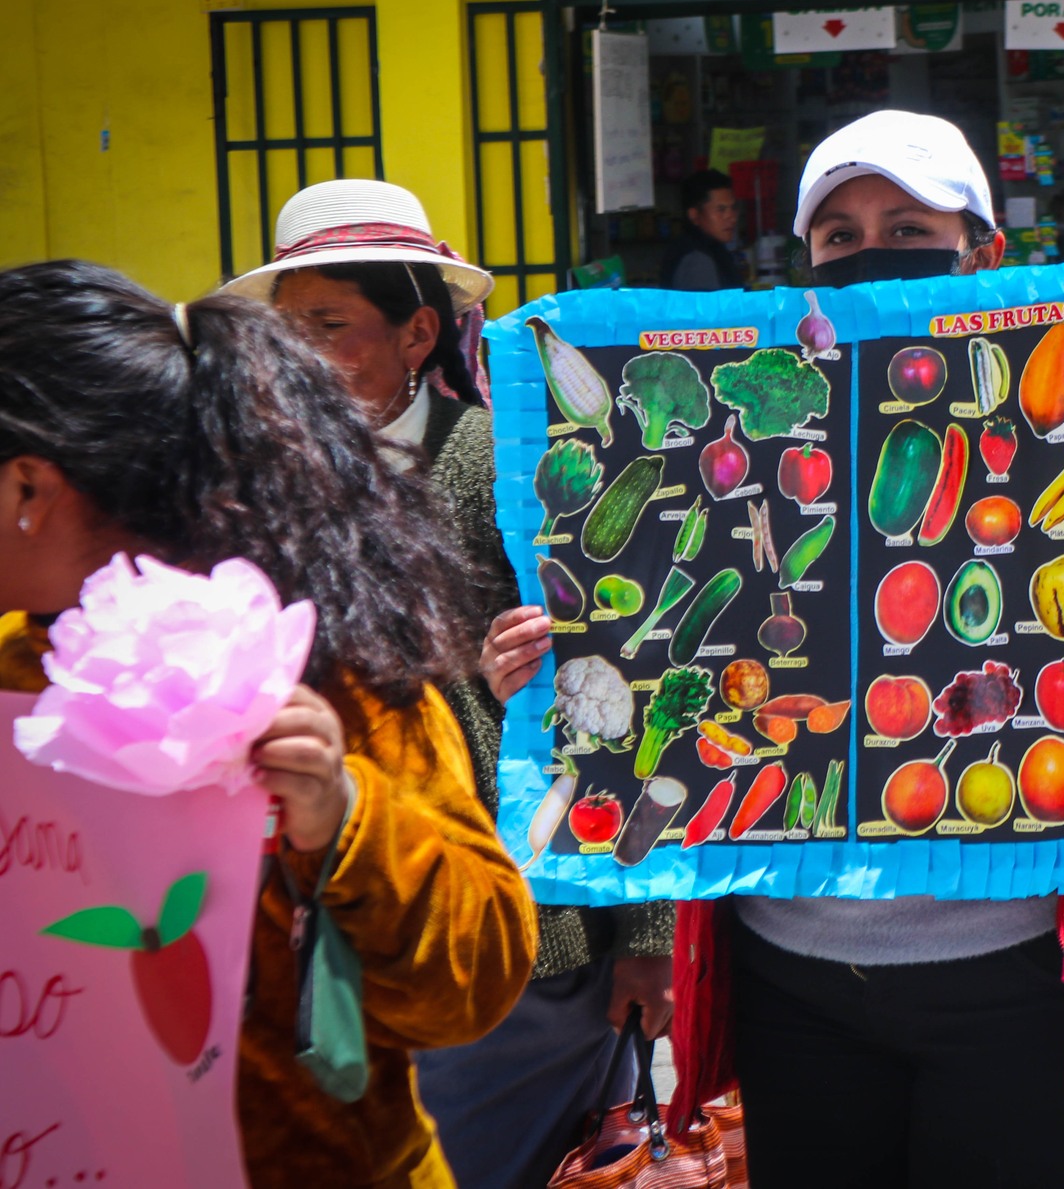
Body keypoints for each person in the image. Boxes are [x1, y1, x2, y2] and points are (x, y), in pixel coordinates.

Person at [669, 108, 1064, 1189]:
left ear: (983, 254)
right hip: (788, 978)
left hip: (1025, 979)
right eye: (839, 235)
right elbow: (670, 686)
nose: (870, 252)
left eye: (906, 225)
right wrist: (555, 676)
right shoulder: (750, 436)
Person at [0, 260, 538, 1187]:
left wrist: (346, 820)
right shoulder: (15, 670)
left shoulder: (323, 674)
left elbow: (476, 981)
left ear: (28, 490)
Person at [230, 179, 677, 1189]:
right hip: (334, 908)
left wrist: (650, 939)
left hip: (514, 923)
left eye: (330, 326)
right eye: (286, 331)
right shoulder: (266, 484)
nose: (299, 358)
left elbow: (623, 684)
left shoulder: (502, 466)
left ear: (418, 331)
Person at [655, 168, 743, 291]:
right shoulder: (697, 260)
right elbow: (708, 309)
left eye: (733, 208)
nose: (731, 218)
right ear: (694, 215)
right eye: (721, 210)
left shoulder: (713, 250)